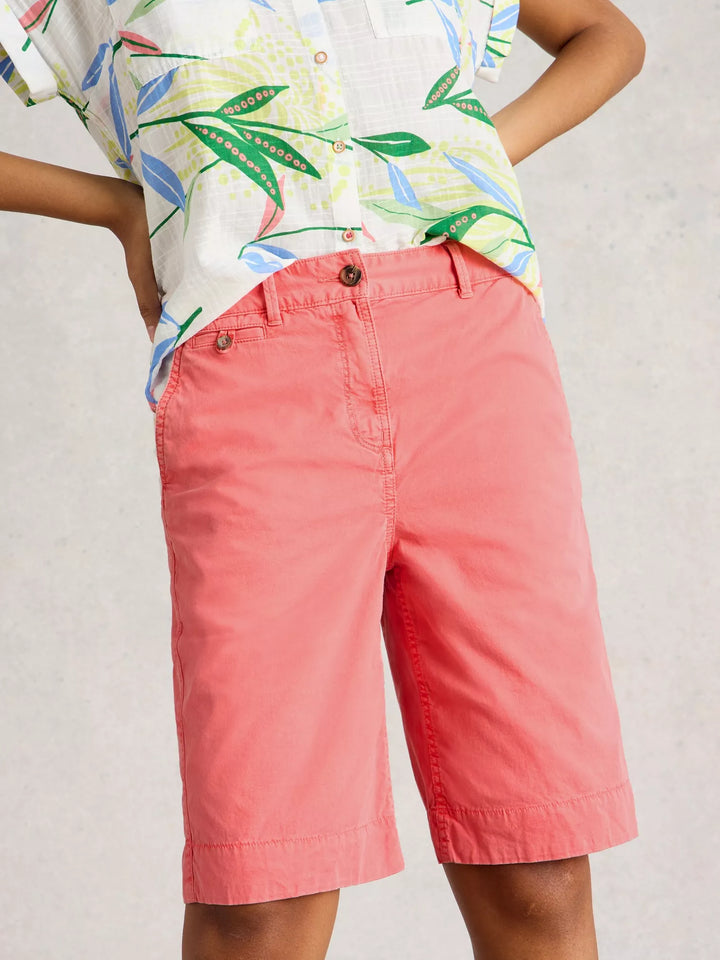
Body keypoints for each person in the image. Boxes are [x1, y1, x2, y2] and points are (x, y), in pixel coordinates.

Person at [0, 0, 645, 956]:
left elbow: (610, 36)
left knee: (536, 865)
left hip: (475, 352)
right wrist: (117, 207)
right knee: (262, 895)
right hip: (255, 369)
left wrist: (475, 160)